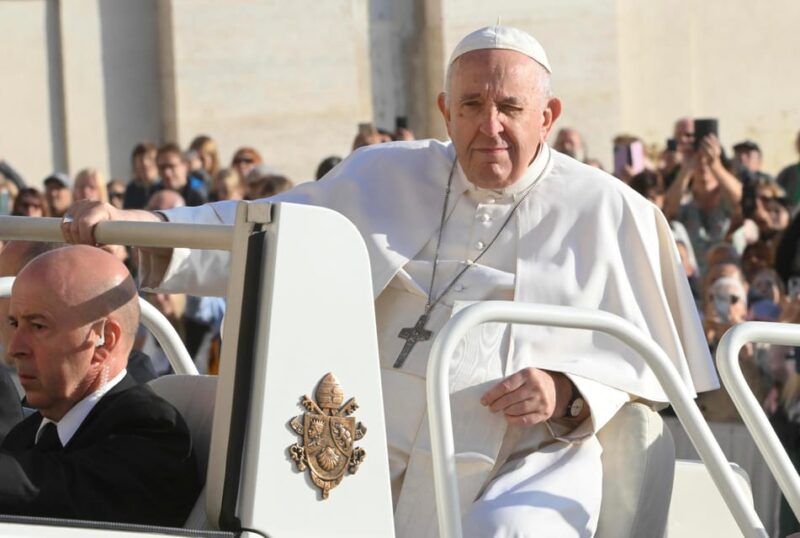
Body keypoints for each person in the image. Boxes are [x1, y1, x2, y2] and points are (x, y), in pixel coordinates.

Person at [62, 25, 716, 537]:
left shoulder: (609, 211)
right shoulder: (383, 176)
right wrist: (144, 226)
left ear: (547, 116)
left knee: (512, 531)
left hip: (520, 457)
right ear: (445, 111)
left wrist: (568, 391)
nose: (489, 125)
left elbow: (650, 366)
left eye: (510, 107)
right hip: (362, 439)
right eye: (472, 105)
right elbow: (269, 232)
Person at [0, 245, 199, 525]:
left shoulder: (152, 432)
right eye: (14, 324)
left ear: (104, 340)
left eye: (38, 326)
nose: (15, 348)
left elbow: (53, 491)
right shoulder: (28, 434)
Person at [124, 142, 160, 210]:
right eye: (140, 159)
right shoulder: (132, 189)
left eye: (150, 158)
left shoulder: (165, 186)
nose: (145, 163)